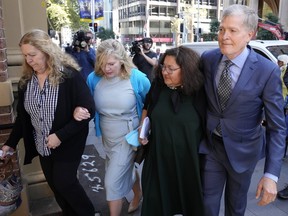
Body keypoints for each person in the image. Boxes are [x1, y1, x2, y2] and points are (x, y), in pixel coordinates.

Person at [0, 29, 99, 216]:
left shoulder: (68, 76)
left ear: (46, 51)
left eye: (32, 55)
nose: (29, 60)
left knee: (65, 182)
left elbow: (89, 109)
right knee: (56, 186)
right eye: (25, 56)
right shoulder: (26, 81)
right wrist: (9, 144)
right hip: (42, 145)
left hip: (68, 142)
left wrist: (60, 135)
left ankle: (88, 213)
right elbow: (23, 118)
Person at [199, 4, 286, 216]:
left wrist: (271, 176)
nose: (224, 36)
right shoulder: (208, 60)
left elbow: (277, 127)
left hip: (244, 152)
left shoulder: (267, 71)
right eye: (221, 29)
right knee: (205, 206)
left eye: (232, 30)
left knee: (235, 208)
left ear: (250, 34)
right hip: (212, 147)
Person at [75, 39, 151, 216]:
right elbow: (87, 103)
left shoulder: (137, 78)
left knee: (111, 181)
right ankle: (137, 193)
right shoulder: (93, 79)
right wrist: (80, 109)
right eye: (102, 64)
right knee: (124, 170)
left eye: (111, 64)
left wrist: (144, 129)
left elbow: (151, 104)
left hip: (129, 135)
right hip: (107, 135)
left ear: (122, 60)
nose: (106, 68)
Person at [139, 46, 206, 215]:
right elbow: (147, 105)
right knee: (154, 203)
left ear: (187, 70)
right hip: (158, 157)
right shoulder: (158, 87)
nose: (165, 72)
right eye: (163, 67)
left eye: (171, 68)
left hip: (189, 162)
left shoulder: (200, 92)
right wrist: (142, 128)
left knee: (190, 205)